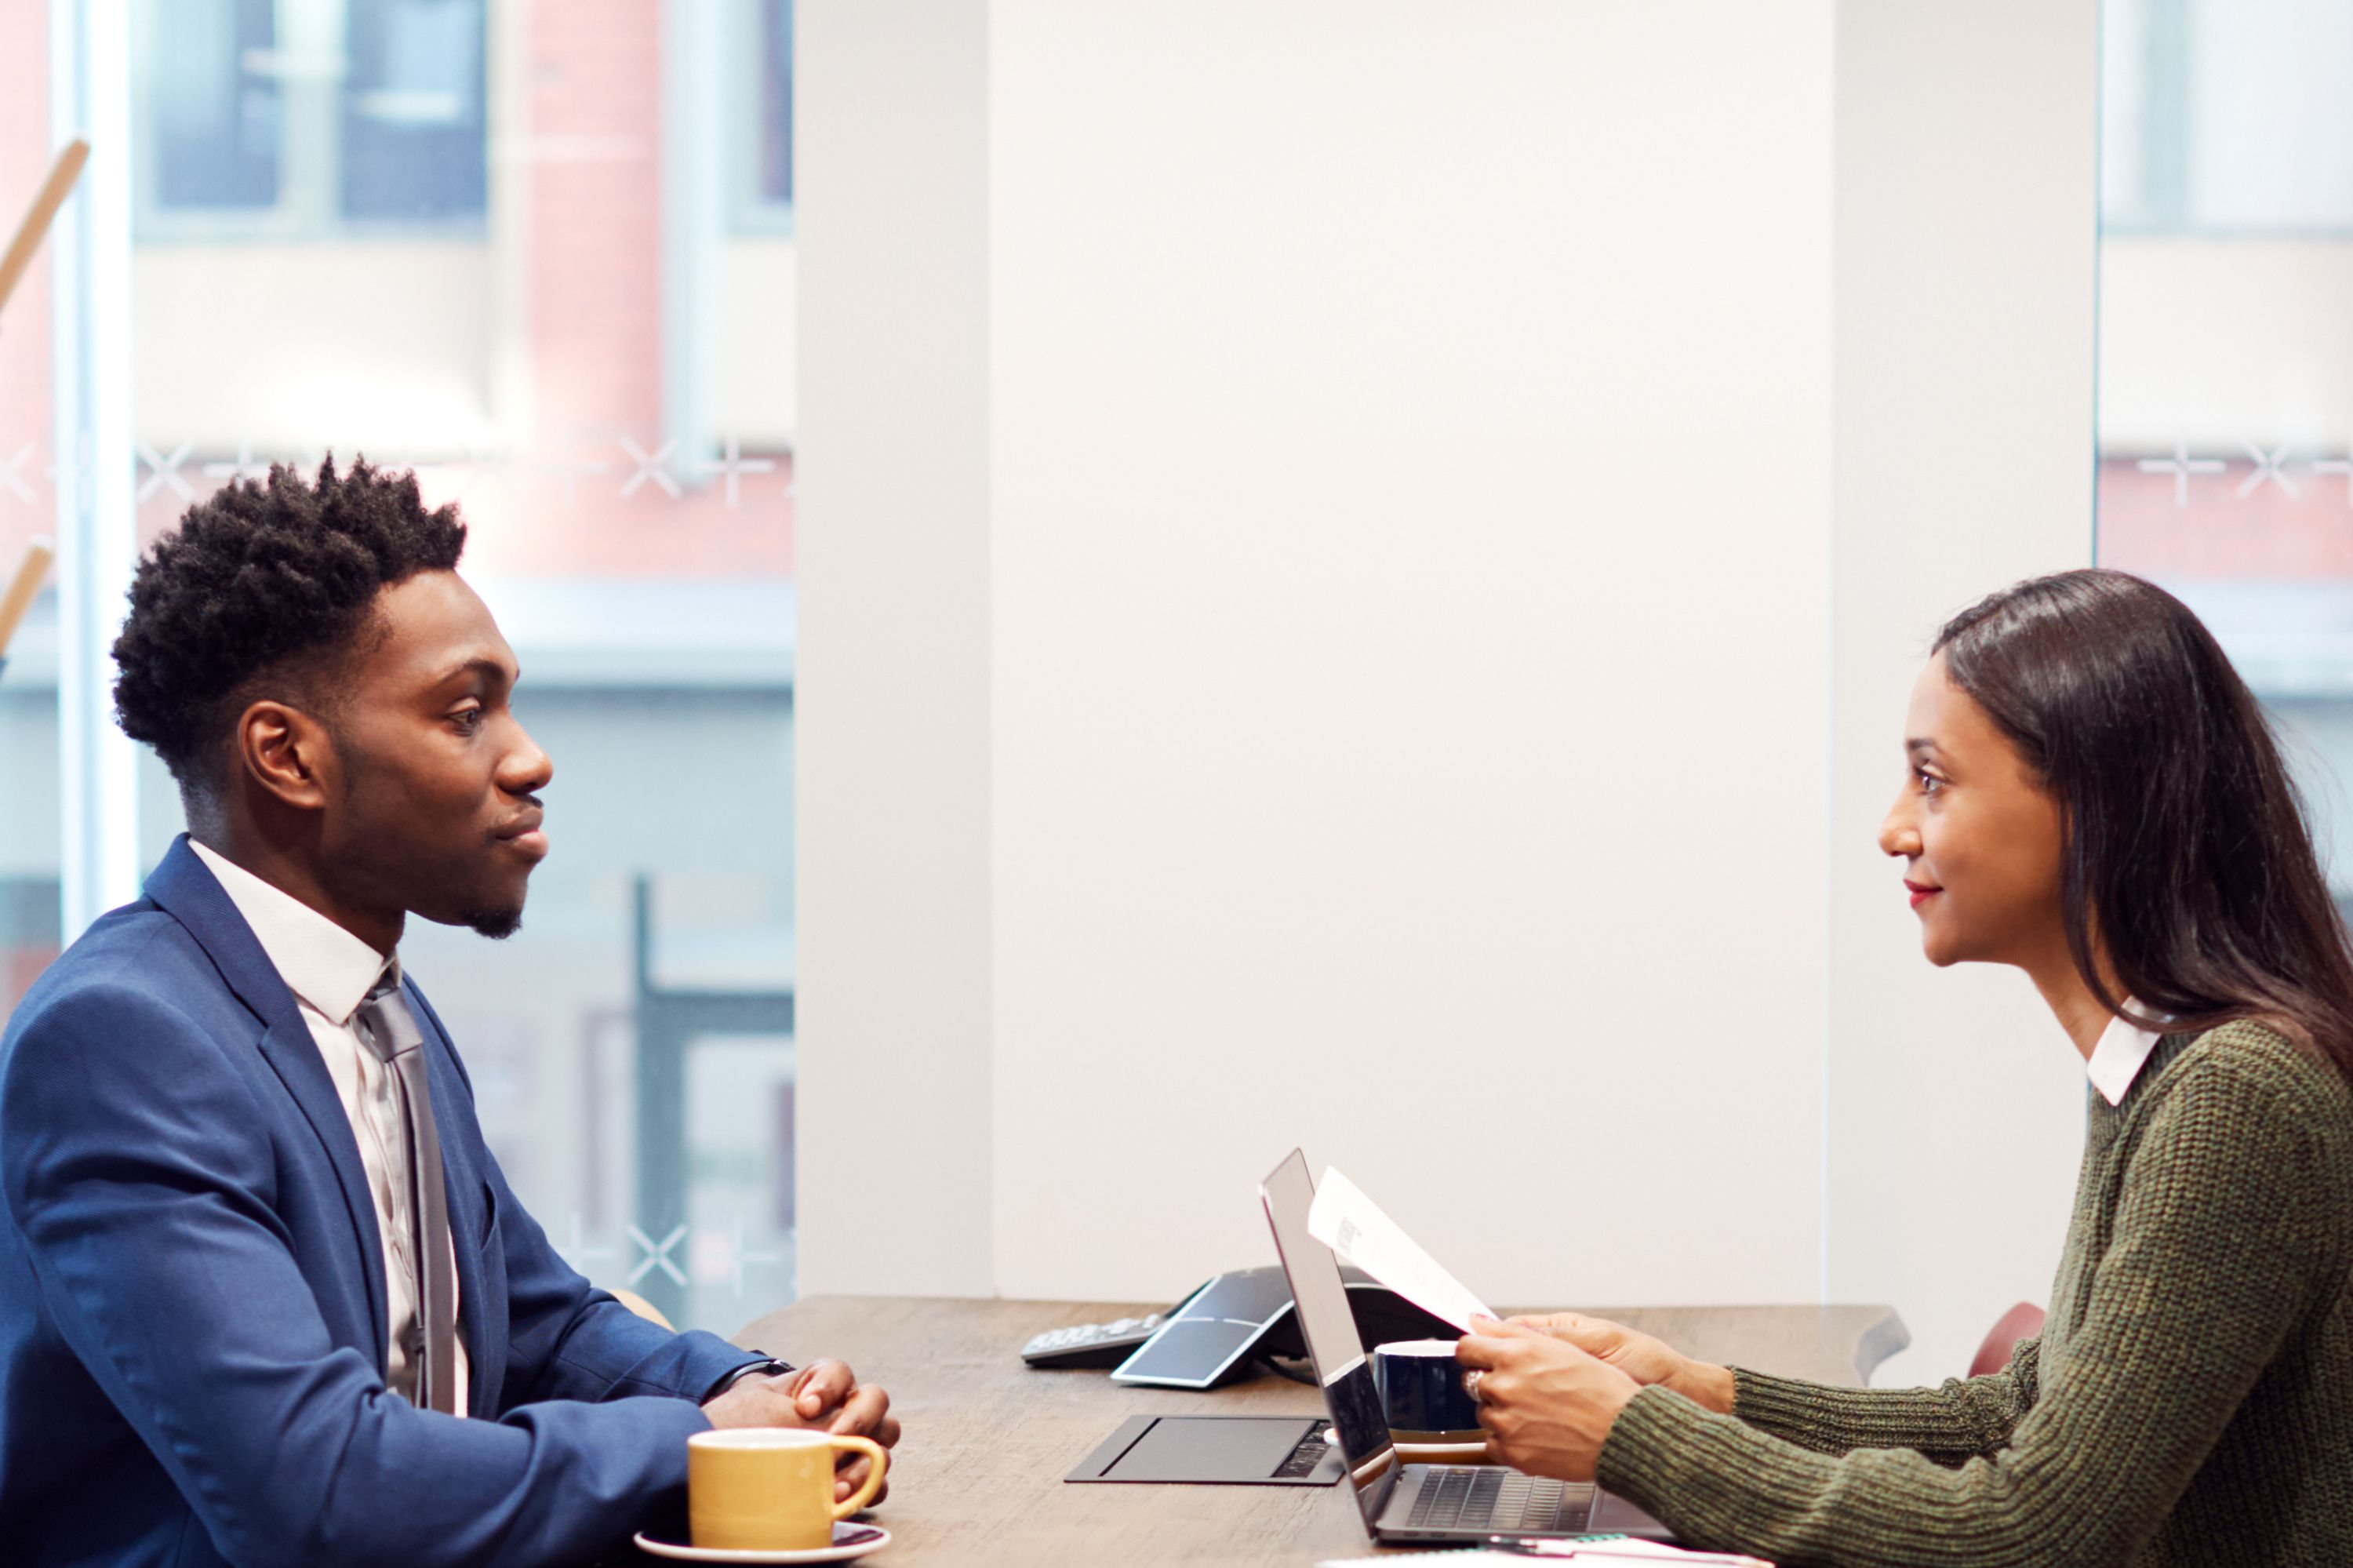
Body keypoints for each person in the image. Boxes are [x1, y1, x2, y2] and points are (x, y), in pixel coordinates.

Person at [0, 460, 898, 1567]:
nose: (530, 756)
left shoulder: (373, 1004)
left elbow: (539, 1321)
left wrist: (751, 1388)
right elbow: (317, 1488)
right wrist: (699, 1439)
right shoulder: (124, 1042)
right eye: (465, 712)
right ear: (286, 755)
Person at [1457, 569, 2353, 1565]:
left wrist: (1633, 1436)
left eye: (1932, 780)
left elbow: (2037, 1529)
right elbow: (2026, 1412)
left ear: (2090, 801)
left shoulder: (2239, 1097)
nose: (1895, 828)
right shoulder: (2161, 1070)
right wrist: (1694, 1391)